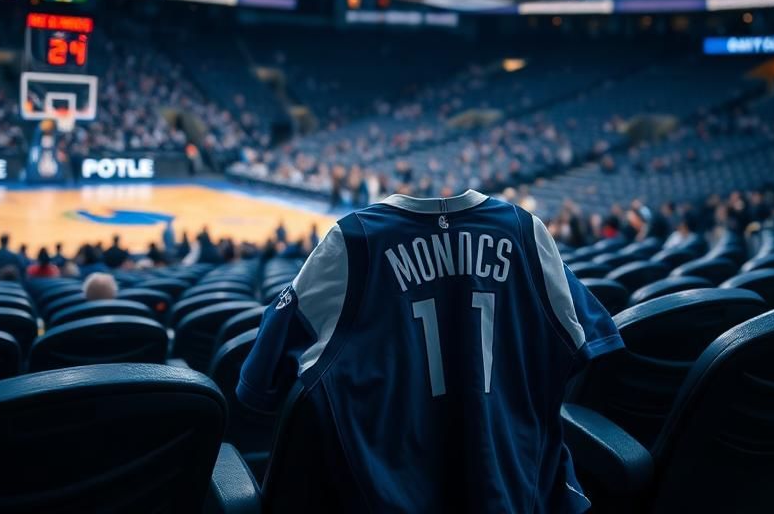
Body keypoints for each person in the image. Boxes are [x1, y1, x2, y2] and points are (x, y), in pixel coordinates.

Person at [237, 189, 623, 512]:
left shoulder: (353, 241)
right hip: (518, 491)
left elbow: (259, 381)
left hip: (389, 496)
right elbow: (594, 341)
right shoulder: (525, 231)